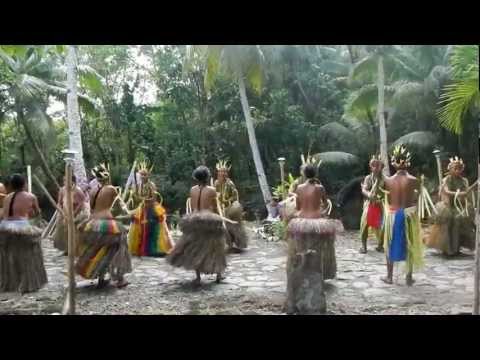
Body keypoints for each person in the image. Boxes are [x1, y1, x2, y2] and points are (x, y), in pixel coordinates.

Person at [285, 164, 342, 314]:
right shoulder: (320, 188)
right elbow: (323, 205)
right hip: (317, 224)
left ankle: (298, 294)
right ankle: (315, 297)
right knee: (316, 258)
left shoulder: (299, 189)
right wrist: (320, 212)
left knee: (300, 257)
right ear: (315, 173)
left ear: (304, 173)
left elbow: (298, 208)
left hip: (301, 224)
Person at [167, 166, 227, 286]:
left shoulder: (192, 189)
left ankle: (198, 277)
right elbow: (214, 207)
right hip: (208, 220)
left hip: (194, 220)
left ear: (196, 177)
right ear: (207, 177)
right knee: (216, 247)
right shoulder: (211, 190)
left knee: (195, 249)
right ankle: (219, 274)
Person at [75, 164, 131, 289]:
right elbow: (120, 207)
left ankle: (101, 279)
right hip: (107, 223)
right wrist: (128, 213)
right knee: (118, 248)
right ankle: (120, 279)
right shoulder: (111, 188)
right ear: (107, 176)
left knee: (99, 250)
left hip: (93, 223)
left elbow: (93, 209)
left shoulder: (93, 190)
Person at [381, 145, 423, 286]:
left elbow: (385, 196)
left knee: (389, 244)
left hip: (392, 215)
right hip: (408, 215)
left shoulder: (388, 180)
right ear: (407, 162)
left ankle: (389, 276)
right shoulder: (414, 180)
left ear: (394, 163)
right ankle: (409, 277)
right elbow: (417, 197)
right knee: (410, 244)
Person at [0, 174, 47, 293]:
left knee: (9, 254)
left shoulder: (6, 197)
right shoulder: (31, 196)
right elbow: (36, 213)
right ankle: (28, 283)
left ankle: (9, 283)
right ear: (24, 184)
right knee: (29, 254)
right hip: (21, 228)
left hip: (4, 227)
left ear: (11, 185)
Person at [426, 156, 475, 256]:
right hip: (447, 206)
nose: (458, 171)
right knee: (447, 222)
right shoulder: (446, 180)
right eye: (455, 168)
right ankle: (447, 248)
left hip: (459, 206)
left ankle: (456, 247)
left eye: (459, 168)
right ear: (450, 169)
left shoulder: (464, 180)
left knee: (458, 222)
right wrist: (458, 193)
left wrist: (464, 194)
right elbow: (446, 191)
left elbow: (466, 191)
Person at [127, 161, 174, 257]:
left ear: (148, 175)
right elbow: (138, 197)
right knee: (138, 227)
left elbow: (154, 198)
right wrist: (135, 196)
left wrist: (145, 200)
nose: (143, 177)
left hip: (152, 208)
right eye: (141, 175)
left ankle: (155, 249)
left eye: (144, 175)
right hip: (142, 208)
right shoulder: (139, 185)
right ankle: (140, 248)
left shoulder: (151, 185)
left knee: (154, 227)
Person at [214, 160, 248, 251]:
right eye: (221, 172)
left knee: (232, 224)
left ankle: (236, 242)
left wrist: (227, 200)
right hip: (219, 207)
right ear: (218, 173)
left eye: (224, 171)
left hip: (229, 207)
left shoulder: (230, 183)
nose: (223, 173)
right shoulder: (216, 183)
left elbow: (235, 196)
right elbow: (214, 194)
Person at [53, 174, 90, 255]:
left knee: (75, 232)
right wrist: (61, 211)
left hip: (77, 214)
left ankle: (76, 250)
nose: (64, 182)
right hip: (65, 213)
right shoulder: (62, 190)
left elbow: (81, 204)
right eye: (64, 180)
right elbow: (59, 203)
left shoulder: (78, 191)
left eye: (66, 180)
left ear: (72, 181)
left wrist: (73, 214)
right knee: (65, 232)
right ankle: (67, 250)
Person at [359, 155, 385, 253]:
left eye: (377, 165)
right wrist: (369, 194)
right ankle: (363, 246)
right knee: (364, 223)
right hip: (370, 203)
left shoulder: (385, 179)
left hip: (381, 203)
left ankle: (380, 245)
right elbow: (364, 189)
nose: (375, 167)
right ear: (370, 167)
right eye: (373, 165)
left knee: (384, 224)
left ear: (381, 167)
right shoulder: (368, 178)